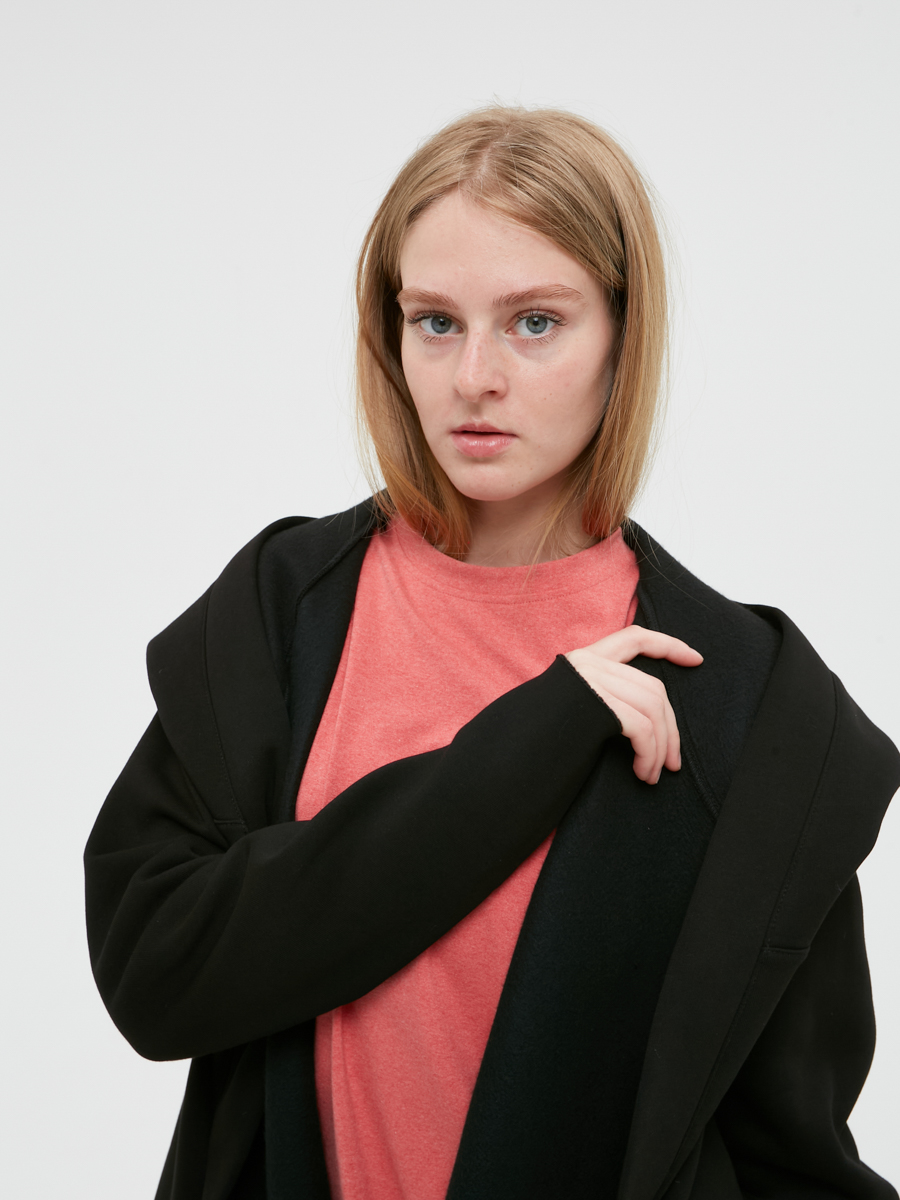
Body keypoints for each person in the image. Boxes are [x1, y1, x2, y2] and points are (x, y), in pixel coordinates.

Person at [84, 106, 900, 1200]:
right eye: (435, 321)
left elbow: (791, 1155)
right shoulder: (286, 616)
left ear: (622, 336)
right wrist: (531, 741)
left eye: (534, 323)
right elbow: (155, 973)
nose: (474, 376)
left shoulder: (744, 705)